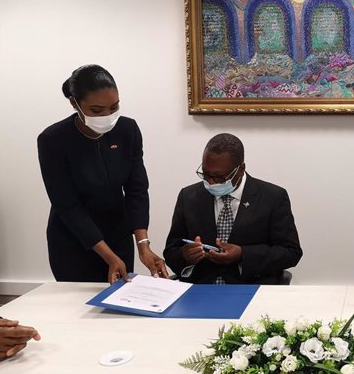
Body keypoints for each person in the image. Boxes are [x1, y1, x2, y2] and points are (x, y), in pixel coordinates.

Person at [38, 64, 168, 283]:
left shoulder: (128, 130)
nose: (107, 116)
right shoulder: (53, 140)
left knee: (119, 305)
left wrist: (143, 246)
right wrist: (108, 256)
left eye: (114, 107)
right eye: (97, 111)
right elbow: (67, 206)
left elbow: (137, 190)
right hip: (74, 242)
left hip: (118, 236)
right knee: (79, 308)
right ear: (75, 104)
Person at [164, 133, 303, 284]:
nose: (211, 182)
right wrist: (185, 255)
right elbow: (171, 251)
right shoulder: (189, 196)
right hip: (200, 292)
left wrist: (243, 254)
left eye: (219, 177)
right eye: (205, 174)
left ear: (241, 169)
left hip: (250, 290)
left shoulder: (272, 197)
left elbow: (291, 253)